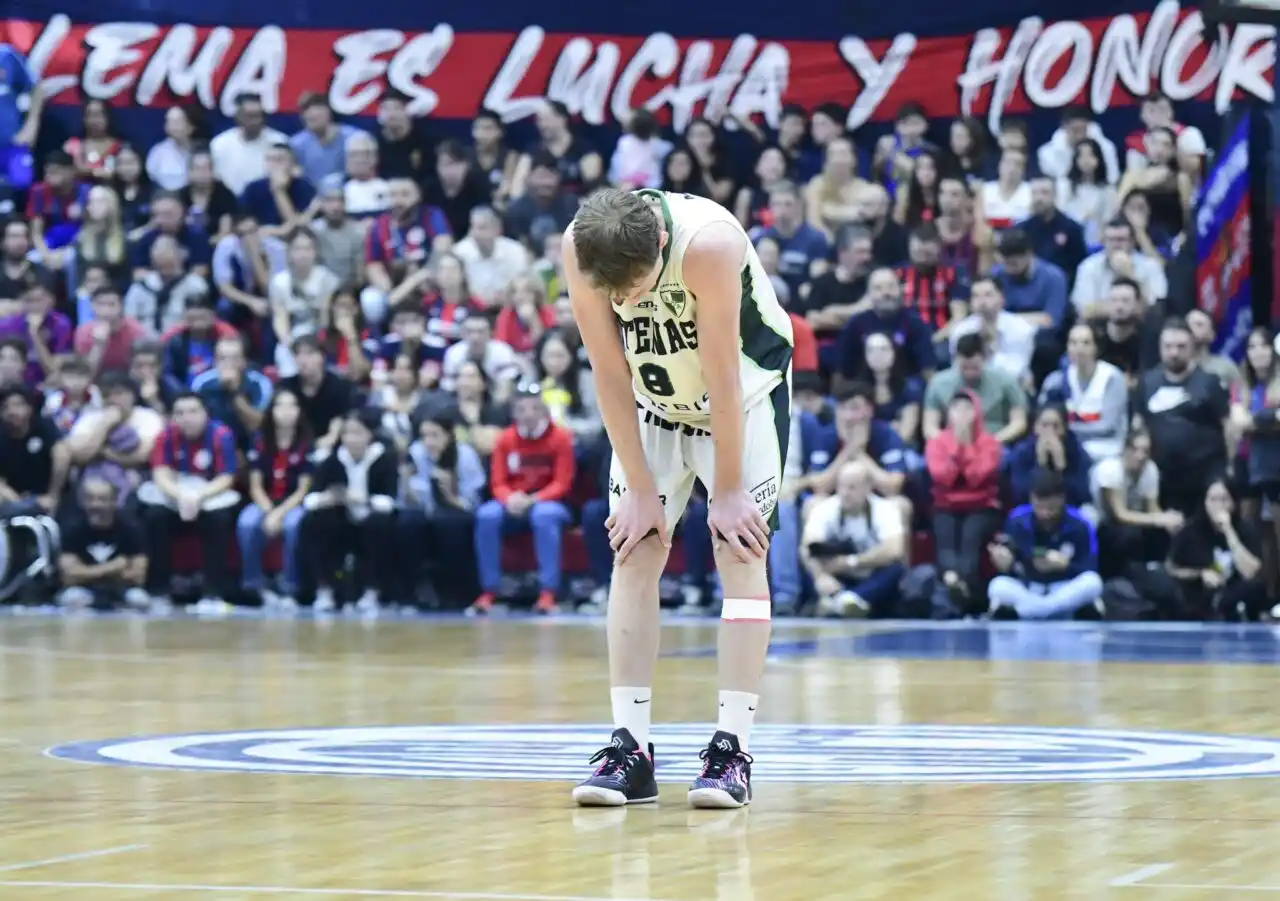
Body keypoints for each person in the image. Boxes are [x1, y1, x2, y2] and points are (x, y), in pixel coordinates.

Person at [564, 187, 793, 809]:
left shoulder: (708, 245)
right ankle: (631, 748)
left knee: (739, 548)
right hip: (654, 407)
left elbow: (721, 372)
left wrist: (726, 490)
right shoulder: (581, 247)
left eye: (633, 289)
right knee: (634, 549)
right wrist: (639, 490)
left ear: (660, 246)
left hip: (742, 401)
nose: (623, 302)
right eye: (612, 292)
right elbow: (610, 374)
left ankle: (731, 752)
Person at [471, 383, 576, 614]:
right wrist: (510, 499)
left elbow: (562, 483)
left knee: (544, 515)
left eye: (534, 409)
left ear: (543, 411)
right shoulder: (505, 439)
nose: (528, 415)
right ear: (514, 412)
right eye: (522, 409)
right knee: (486, 515)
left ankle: (548, 592)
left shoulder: (560, 438)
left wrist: (535, 499)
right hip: (513, 503)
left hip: (549, 503)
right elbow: (497, 482)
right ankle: (490, 590)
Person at [137, 392, 240, 612]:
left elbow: (226, 478)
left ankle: (212, 594)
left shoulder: (221, 435)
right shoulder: (166, 436)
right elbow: (161, 474)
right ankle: (158, 592)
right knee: (155, 517)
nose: (187, 418)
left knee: (219, 520)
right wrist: (181, 495)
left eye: (193, 411)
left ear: (205, 414)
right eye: (180, 413)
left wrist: (198, 496)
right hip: (176, 497)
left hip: (210, 496)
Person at [299, 408, 398, 614]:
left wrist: (362, 499)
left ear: (369, 434)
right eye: (346, 433)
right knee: (314, 521)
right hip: (341, 519)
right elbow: (310, 498)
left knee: (379, 524)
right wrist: (325, 499)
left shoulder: (384, 458)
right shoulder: (333, 459)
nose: (351, 439)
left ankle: (372, 591)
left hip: (371, 520)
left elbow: (390, 501)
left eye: (357, 433)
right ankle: (324, 589)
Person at [987, 469, 1104, 620]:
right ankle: (1052, 611)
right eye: (1040, 508)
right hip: (1029, 589)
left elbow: (1091, 567)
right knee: (997, 586)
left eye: (1051, 508)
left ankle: (1029, 612)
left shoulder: (1080, 524)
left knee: (1093, 583)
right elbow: (1013, 565)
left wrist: (1066, 566)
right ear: (1031, 499)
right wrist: (1006, 564)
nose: (1045, 514)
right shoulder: (1017, 520)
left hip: (1064, 588)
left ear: (1062, 499)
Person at [800, 459, 908, 618]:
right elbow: (807, 547)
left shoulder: (884, 509)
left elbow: (894, 549)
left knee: (896, 568)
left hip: (869, 575)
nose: (845, 493)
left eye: (852, 487)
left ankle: (848, 599)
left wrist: (851, 562)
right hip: (836, 577)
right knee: (809, 563)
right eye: (841, 486)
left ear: (867, 488)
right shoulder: (825, 509)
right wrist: (820, 577)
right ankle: (843, 600)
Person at [236, 388, 313, 609]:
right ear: (272, 411)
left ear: (299, 411)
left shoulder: (306, 443)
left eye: (292, 405)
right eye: (280, 405)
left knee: (293, 525)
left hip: (294, 503)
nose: (286, 411)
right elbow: (256, 485)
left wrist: (279, 514)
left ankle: (290, 586)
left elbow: (303, 490)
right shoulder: (260, 442)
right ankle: (253, 585)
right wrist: (269, 511)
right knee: (247, 523)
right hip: (266, 500)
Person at [1166, 479, 1265, 621]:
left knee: (1257, 586)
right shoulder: (1189, 532)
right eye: (1213, 499)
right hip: (1200, 594)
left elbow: (1250, 572)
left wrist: (1228, 531)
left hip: (1231, 593)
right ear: (1205, 502)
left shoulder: (1245, 530)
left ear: (1233, 503)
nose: (1218, 505)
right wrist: (1200, 574)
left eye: (1224, 499)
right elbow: (1172, 568)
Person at [56, 477, 148, 611]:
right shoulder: (71, 528)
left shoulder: (132, 528)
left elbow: (138, 576)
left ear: (114, 501)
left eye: (102, 499)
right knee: (71, 599)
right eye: (90, 499)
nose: (96, 504)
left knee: (140, 601)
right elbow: (69, 577)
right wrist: (112, 568)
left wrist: (85, 572)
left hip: (122, 589)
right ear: (82, 501)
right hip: (84, 590)